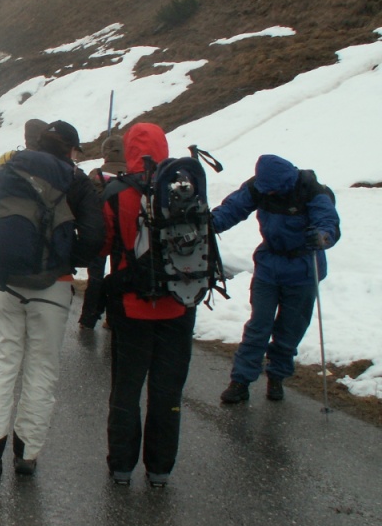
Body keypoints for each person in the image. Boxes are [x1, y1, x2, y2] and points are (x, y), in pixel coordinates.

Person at [0, 120, 103, 480]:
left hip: (6, 284)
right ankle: (26, 456)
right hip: (53, 288)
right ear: (70, 149)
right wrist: (66, 259)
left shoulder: (9, 170)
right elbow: (95, 236)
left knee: (1, 366)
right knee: (41, 370)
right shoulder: (75, 180)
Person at [102, 123, 196, 489]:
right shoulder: (186, 186)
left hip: (131, 306)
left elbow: (102, 244)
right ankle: (159, 470)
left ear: (129, 150)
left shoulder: (117, 192)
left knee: (126, 389)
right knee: (167, 390)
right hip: (179, 303)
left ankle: (121, 467)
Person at [213, 154, 340, 404]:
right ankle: (240, 382)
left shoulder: (311, 190)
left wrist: (323, 236)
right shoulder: (259, 186)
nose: (268, 194)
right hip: (269, 265)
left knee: (290, 329)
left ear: (284, 183)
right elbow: (232, 209)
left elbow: (328, 222)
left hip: (303, 268)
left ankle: (277, 376)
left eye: (272, 190)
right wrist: (209, 224)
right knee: (258, 326)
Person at [79, 134, 126, 330]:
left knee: (95, 277)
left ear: (105, 153)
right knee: (119, 276)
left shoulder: (95, 175)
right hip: (123, 235)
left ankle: (88, 319)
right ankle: (113, 319)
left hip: (99, 232)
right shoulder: (131, 175)